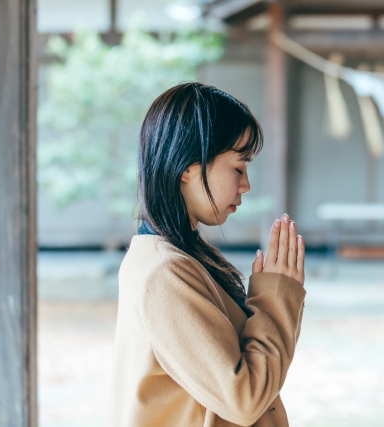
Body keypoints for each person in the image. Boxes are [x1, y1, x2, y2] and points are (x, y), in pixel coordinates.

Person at [111, 82, 306, 427]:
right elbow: (243, 399)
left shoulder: (174, 256)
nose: (246, 185)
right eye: (238, 168)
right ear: (188, 167)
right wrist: (276, 299)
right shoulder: (164, 272)